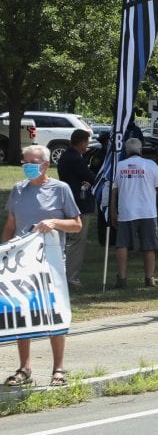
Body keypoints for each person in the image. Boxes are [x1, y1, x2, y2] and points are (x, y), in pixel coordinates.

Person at [2, 145, 82, 388]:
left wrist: (55, 222)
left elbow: (76, 225)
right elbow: (10, 226)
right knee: (22, 311)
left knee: (54, 311)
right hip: (22, 265)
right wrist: (4, 253)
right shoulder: (18, 189)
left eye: (32, 162)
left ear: (45, 165)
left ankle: (58, 368)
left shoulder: (60, 189)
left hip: (50, 262)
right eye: (24, 161)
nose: (27, 166)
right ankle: (24, 368)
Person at [111, 138, 158, 288]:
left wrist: (113, 211)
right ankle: (149, 279)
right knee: (149, 246)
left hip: (126, 211)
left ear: (126, 151)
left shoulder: (119, 166)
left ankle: (121, 279)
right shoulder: (150, 165)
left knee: (122, 245)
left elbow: (113, 191)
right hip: (147, 211)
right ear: (140, 150)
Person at [56, 129, 95, 287]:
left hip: (67, 202)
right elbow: (90, 176)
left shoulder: (65, 156)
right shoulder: (75, 158)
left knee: (67, 240)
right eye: (86, 143)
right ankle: (70, 276)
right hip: (79, 204)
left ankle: (64, 274)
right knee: (77, 240)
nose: (87, 146)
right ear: (82, 142)